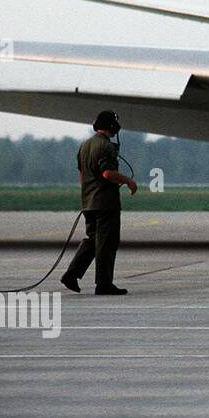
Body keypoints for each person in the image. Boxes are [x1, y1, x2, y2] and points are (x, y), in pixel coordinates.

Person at [62, 110, 137, 295]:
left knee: (92, 240)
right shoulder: (106, 147)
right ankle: (103, 284)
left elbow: (81, 174)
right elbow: (107, 173)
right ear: (113, 126)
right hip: (105, 204)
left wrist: (89, 191)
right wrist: (128, 181)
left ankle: (71, 274)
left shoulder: (85, 145)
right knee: (106, 243)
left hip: (88, 201)